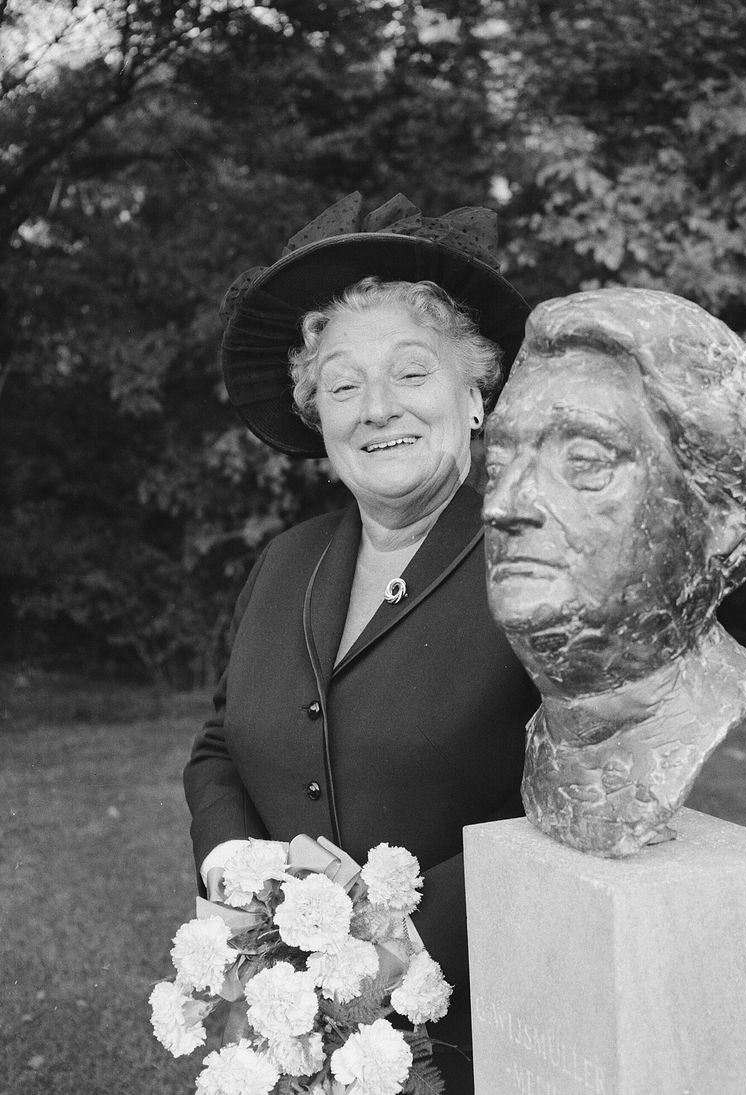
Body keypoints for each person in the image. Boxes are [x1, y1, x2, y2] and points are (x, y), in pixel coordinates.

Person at [184, 191, 539, 1092]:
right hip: (298, 1027)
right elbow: (220, 748)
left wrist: (406, 935)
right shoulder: (285, 562)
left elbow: (589, 801)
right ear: (319, 421)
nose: (377, 408)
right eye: (343, 385)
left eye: (411, 374)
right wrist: (243, 872)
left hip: (492, 1026)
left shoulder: (540, 562)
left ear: (475, 393)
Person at [481, 287, 746, 857]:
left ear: (720, 511)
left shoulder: (687, 705)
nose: (501, 505)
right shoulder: (551, 728)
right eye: (498, 463)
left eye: (585, 462)